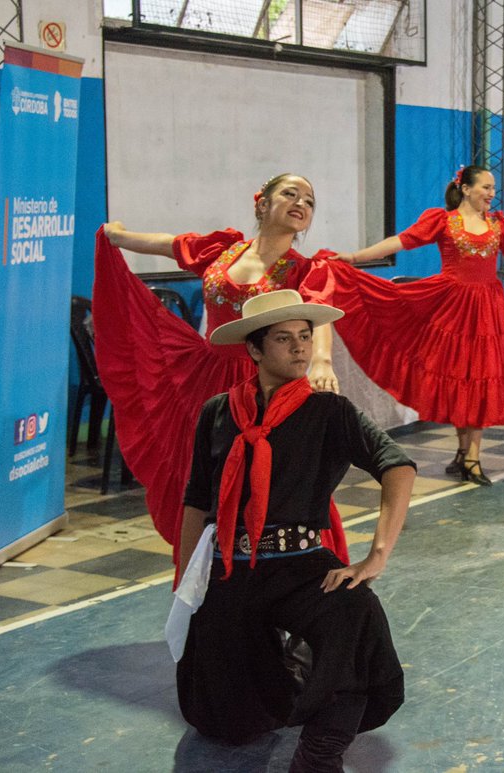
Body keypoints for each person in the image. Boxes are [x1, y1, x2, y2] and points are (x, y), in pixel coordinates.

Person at [171, 289, 416, 772]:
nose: (301, 348)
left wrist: (376, 556)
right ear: (255, 351)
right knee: (225, 721)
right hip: (230, 567)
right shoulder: (217, 412)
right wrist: (185, 580)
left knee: (357, 616)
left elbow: (398, 467)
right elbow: (197, 500)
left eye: (305, 336)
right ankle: (292, 670)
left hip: (300, 563)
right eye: (284, 339)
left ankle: (319, 754)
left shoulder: (330, 411)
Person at [94, 173, 348, 570]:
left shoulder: (305, 269)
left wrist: (321, 361)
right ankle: (207, 585)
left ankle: (289, 586)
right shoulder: (223, 249)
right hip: (207, 383)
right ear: (262, 203)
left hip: (266, 388)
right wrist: (119, 237)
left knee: (269, 488)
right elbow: (169, 245)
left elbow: (317, 317)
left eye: (310, 201)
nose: (301, 203)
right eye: (290, 194)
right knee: (203, 487)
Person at [323, 165, 504, 486]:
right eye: (486, 187)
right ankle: (465, 455)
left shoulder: (499, 224)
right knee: (463, 378)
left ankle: (471, 456)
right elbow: (401, 241)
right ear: (466, 189)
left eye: (492, 188)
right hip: (451, 308)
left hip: (487, 310)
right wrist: (355, 257)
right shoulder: (442, 220)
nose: (492, 193)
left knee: (481, 376)